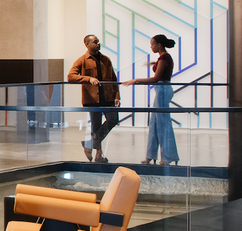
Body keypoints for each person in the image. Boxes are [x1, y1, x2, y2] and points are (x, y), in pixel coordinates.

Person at [67, 34, 121, 163]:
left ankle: (89, 143)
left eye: (98, 42)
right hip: (93, 99)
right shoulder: (82, 60)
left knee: (113, 120)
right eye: (95, 42)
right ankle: (99, 154)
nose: (98, 44)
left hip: (108, 98)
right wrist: (88, 79)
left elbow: (114, 79)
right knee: (96, 127)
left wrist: (117, 96)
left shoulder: (106, 60)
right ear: (87, 44)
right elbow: (70, 76)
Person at [132, 35, 179, 166]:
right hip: (160, 90)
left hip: (163, 90)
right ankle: (150, 155)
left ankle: (167, 156)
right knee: (154, 124)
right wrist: (154, 63)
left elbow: (156, 78)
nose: (151, 47)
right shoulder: (162, 58)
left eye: (152, 44)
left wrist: (136, 80)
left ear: (159, 45)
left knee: (163, 125)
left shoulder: (165, 57)